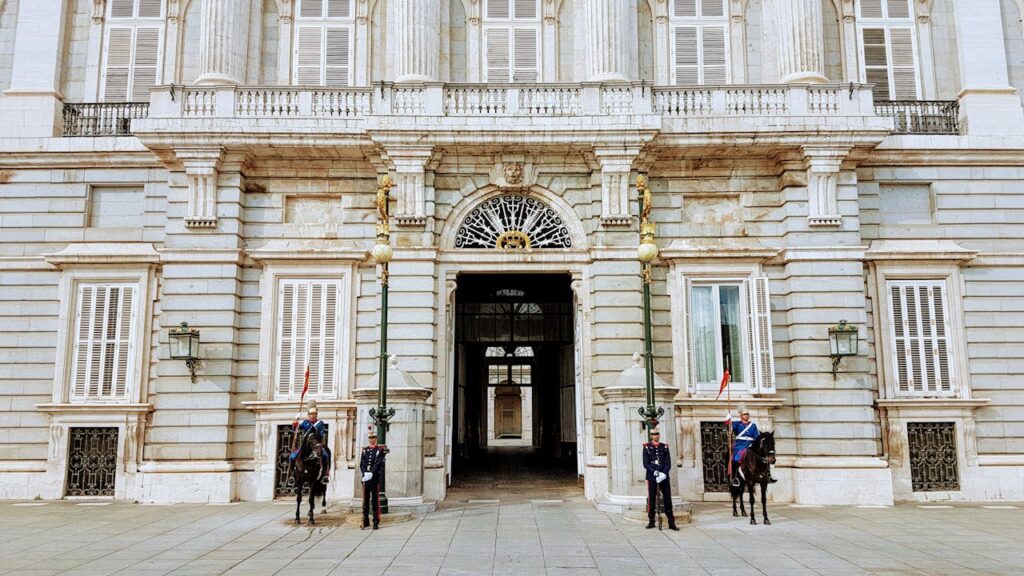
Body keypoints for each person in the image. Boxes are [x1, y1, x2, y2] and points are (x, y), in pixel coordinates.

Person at [642, 428, 679, 531]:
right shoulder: (646, 447)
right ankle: (651, 521)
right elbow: (646, 463)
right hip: (652, 476)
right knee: (652, 499)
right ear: (651, 436)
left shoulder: (664, 447)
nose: (656, 436)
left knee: (667, 499)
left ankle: (671, 522)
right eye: (654, 434)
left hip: (663, 476)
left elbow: (668, 462)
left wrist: (664, 473)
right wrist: (654, 472)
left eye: (657, 434)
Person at [730, 405, 776, 486]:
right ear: (741, 416)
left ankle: (768, 475)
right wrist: (728, 420)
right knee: (735, 459)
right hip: (741, 445)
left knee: (764, 456)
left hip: (751, 444)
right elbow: (729, 430)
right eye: (745, 414)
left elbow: (756, 437)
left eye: (748, 414)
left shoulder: (753, 425)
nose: (747, 416)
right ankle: (735, 478)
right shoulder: (736, 424)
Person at [289, 400, 331, 484]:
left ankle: (325, 475)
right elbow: (296, 430)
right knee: (292, 456)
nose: (312, 416)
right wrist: (295, 422)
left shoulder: (320, 423)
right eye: (311, 414)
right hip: (305, 445)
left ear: (316, 414)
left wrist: (314, 430)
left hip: (316, 444)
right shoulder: (305, 423)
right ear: (308, 415)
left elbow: (321, 435)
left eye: (314, 414)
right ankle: (292, 475)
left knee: (325, 455)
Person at [360, 427, 387, 529]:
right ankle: (365, 520)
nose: (372, 439)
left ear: (376, 438)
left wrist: (371, 473)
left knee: (374, 501)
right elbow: (362, 463)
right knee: (365, 501)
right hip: (366, 479)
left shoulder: (378, 450)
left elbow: (378, 463)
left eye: (374, 437)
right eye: (370, 438)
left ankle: (375, 521)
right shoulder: (364, 450)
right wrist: (364, 474)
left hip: (374, 478)